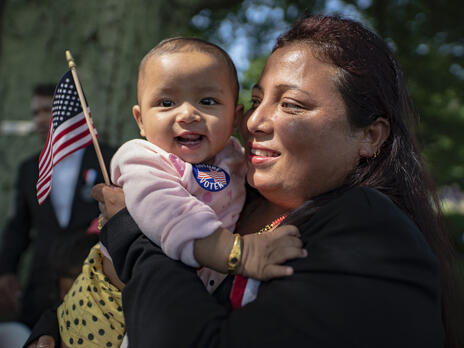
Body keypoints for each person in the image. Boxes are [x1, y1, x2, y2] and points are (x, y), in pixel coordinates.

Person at [26, 15, 463, 348]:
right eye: (255, 101)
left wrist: (132, 237)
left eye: (291, 105)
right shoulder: (230, 189)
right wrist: (51, 331)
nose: (254, 121)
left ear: (370, 135)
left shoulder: (371, 238)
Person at [55, 37, 303, 348]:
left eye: (208, 101)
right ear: (140, 120)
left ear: (236, 117)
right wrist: (239, 252)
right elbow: (169, 212)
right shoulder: (141, 160)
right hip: (114, 307)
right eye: (167, 103)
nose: (187, 115)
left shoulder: (235, 158)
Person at [0, 83, 115, 329]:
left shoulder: (109, 161)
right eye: (35, 113)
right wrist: (6, 270)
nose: (40, 120)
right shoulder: (29, 169)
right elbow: (19, 227)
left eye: (49, 110)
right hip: (39, 294)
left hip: (93, 291)